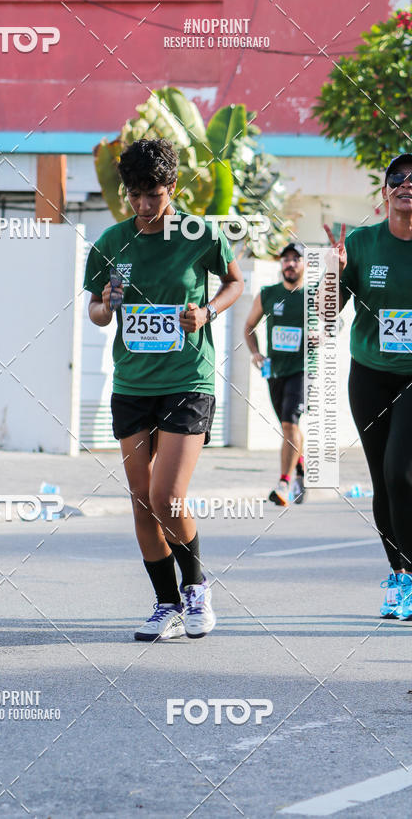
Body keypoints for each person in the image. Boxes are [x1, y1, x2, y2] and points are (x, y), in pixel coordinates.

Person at [84, 138, 244, 641]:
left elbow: (235, 282)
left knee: (167, 496)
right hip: (131, 384)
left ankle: (197, 588)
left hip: (187, 381)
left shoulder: (200, 233)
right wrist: (106, 307)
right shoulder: (111, 241)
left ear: (171, 187)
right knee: (140, 499)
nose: (144, 205)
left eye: (152, 194)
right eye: (134, 194)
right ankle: (166, 604)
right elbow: (95, 311)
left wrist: (208, 312)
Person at [324, 154, 412, 622]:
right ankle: (399, 577)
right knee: (382, 479)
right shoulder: (360, 244)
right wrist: (333, 273)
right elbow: (324, 315)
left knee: (402, 473)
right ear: (384, 193)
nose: (406, 184)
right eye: (397, 178)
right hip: (370, 374)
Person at [244, 242, 306, 506]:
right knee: (287, 426)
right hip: (275, 370)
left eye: (296, 259)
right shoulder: (268, 293)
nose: (290, 264)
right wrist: (256, 353)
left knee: (290, 424)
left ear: (305, 264)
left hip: (302, 370)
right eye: (286, 259)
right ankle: (301, 466)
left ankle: (284, 483)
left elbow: (334, 321)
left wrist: (322, 333)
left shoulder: (313, 295)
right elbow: (249, 325)